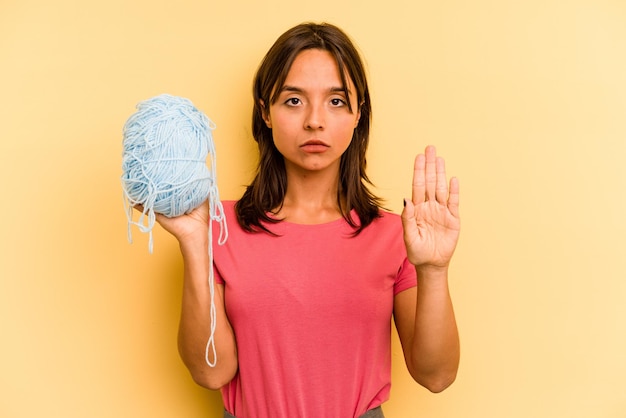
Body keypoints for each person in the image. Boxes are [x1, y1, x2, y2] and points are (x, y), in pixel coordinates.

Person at [152, 22, 460, 418]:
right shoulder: (217, 225)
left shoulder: (396, 235)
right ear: (265, 111)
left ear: (357, 114)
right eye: (294, 101)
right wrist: (195, 245)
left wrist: (434, 269)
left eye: (335, 101)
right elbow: (212, 372)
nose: (315, 120)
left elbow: (436, 376)